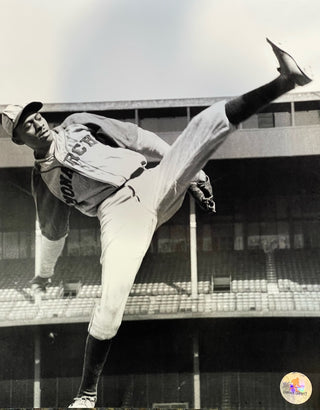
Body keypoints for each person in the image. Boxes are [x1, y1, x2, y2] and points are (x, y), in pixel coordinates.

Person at [1, 38, 311, 408]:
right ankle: (86, 394)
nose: (35, 121)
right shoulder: (43, 180)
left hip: (150, 179)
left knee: (201, 126)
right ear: (18, 139)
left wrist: (189, 171)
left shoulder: (77, 124)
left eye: (34, 114)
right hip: (118, 215)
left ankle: (285, 81)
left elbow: (137, 138)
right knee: (111, 298)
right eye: (25, 124)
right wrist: (44, 274)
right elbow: (52, 233)